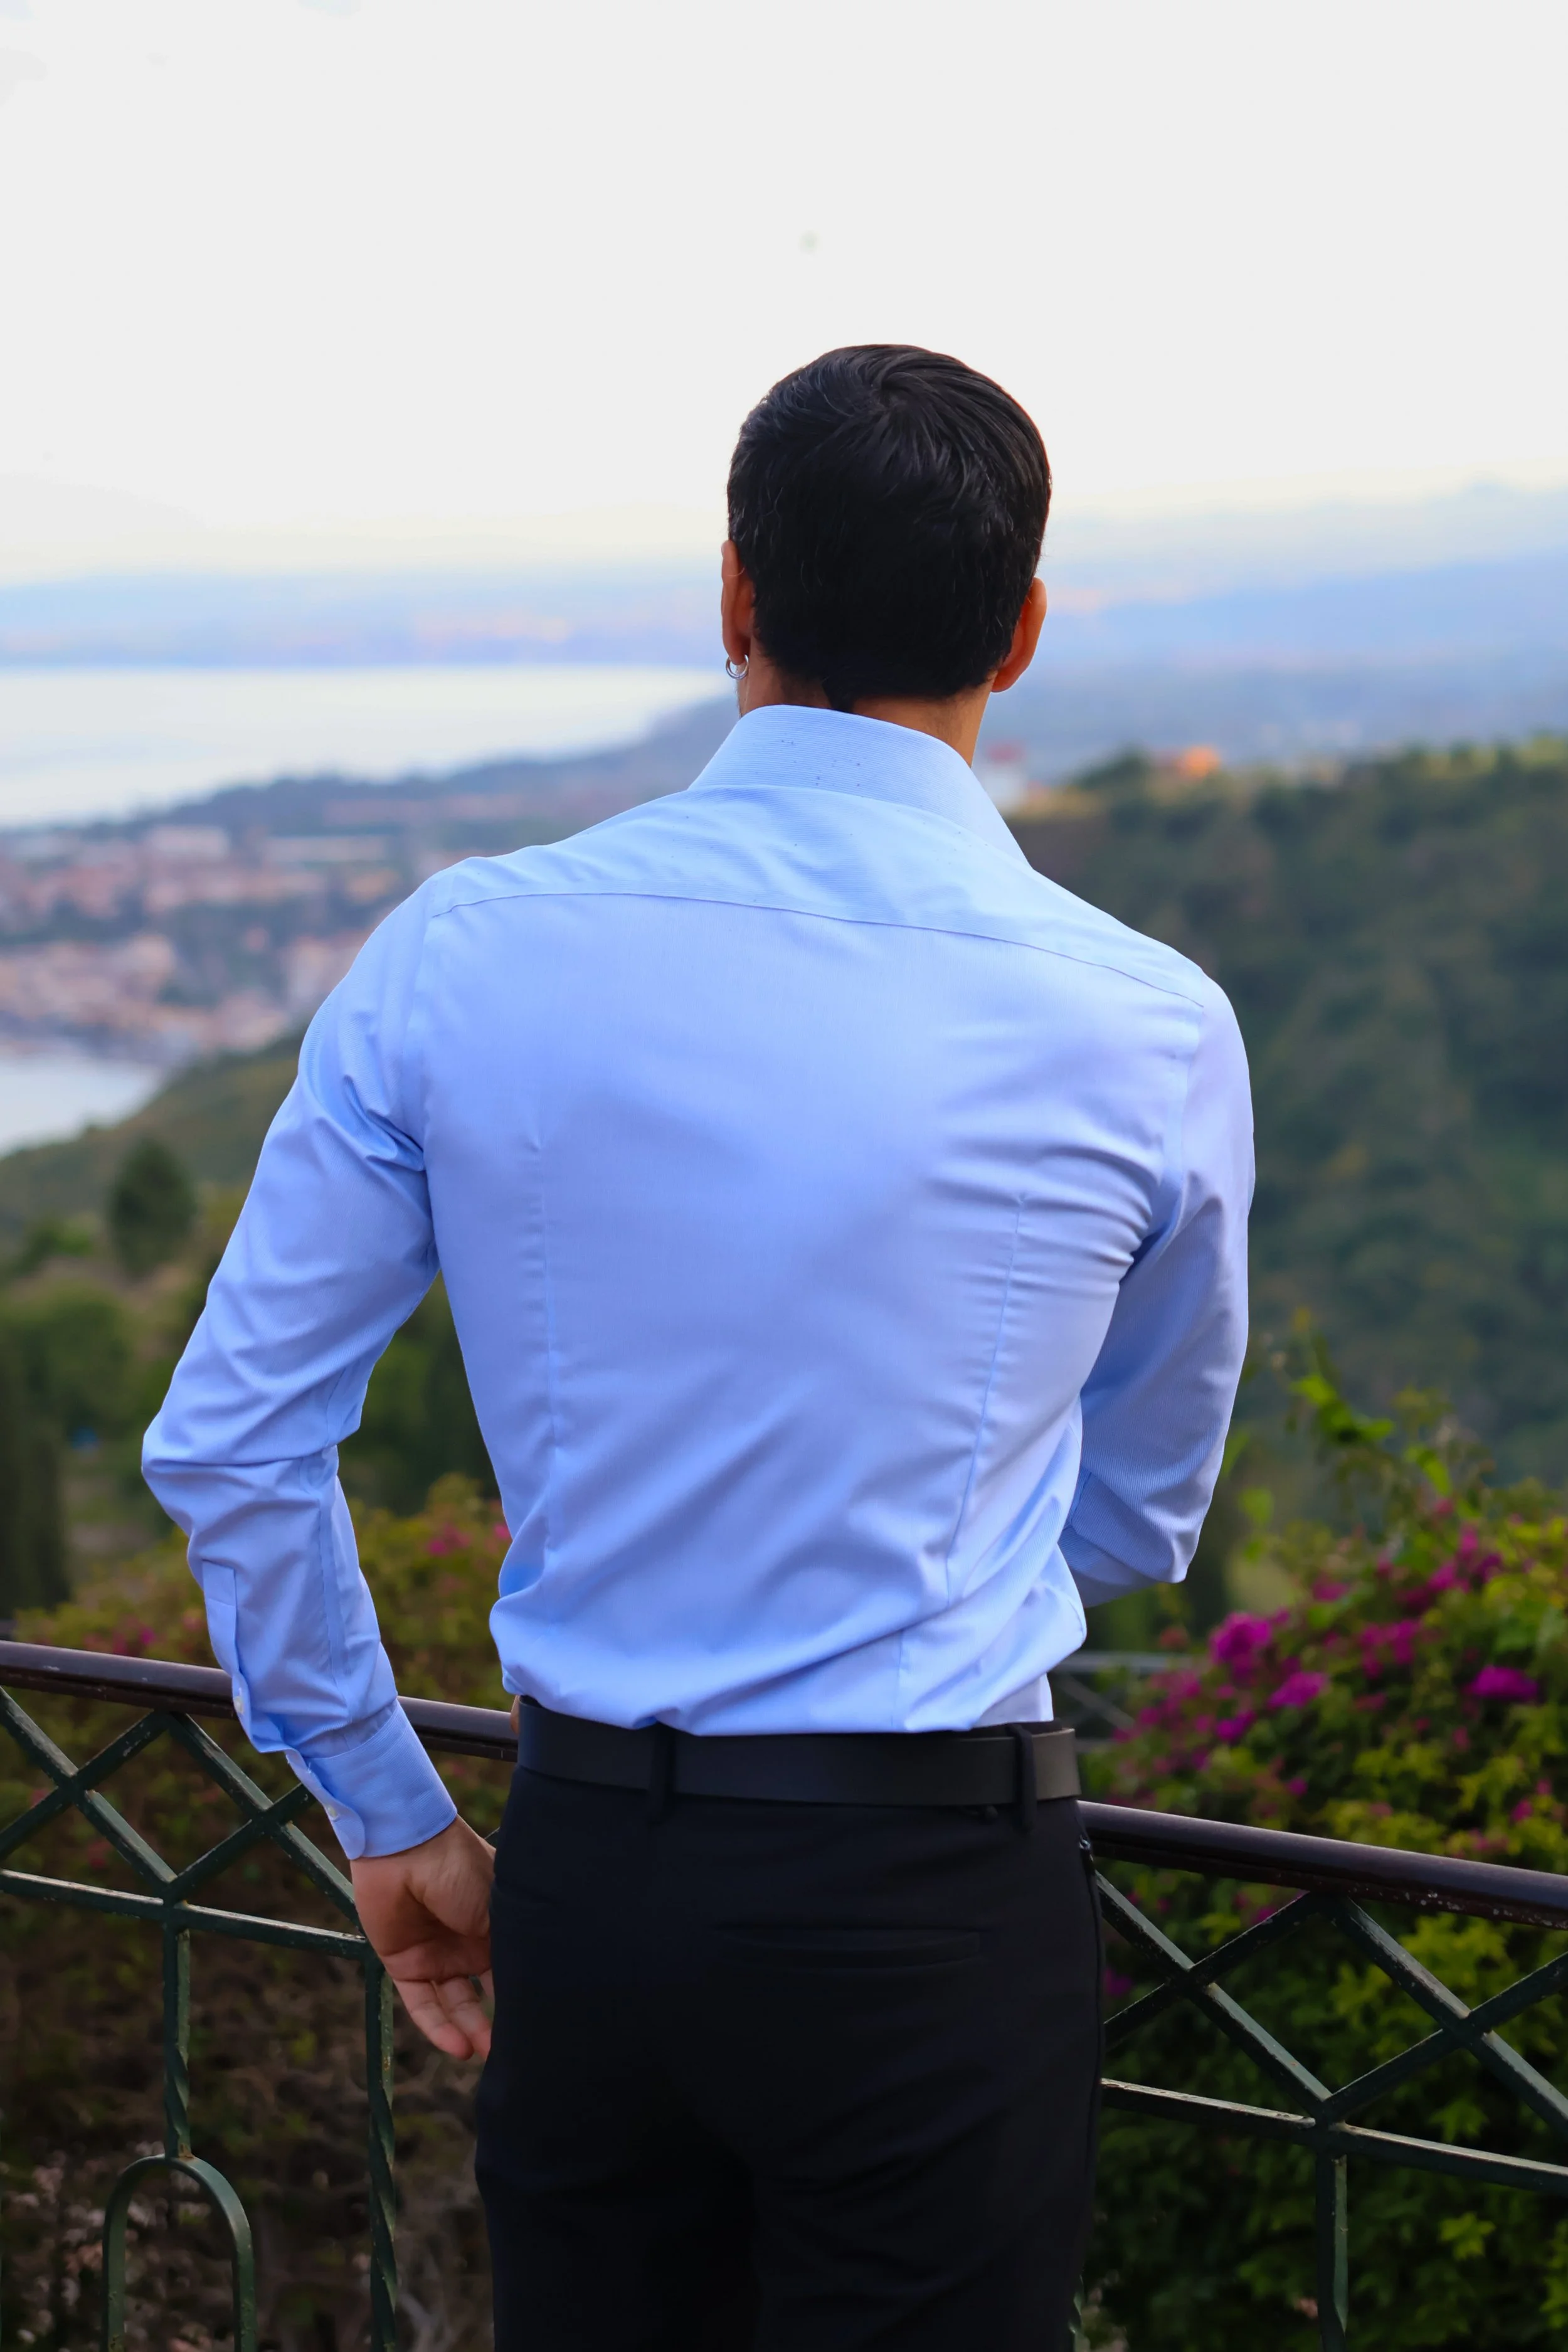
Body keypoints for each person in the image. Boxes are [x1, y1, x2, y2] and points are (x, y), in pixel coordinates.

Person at [144, 344, 1253, 2351]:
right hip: (933, 1894)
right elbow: (1143, 1508)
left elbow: (232, 1438)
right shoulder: (1148, 1022)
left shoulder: (467, 947)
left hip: (592, 1879)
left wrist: (388, 1808)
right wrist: (913, 1569)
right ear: (1018, 631)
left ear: (732, 594)